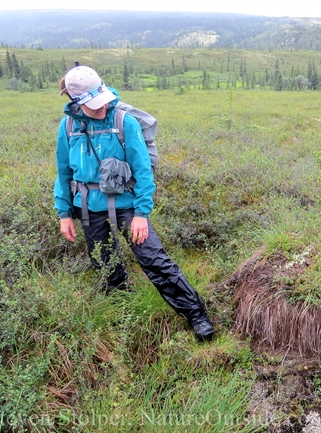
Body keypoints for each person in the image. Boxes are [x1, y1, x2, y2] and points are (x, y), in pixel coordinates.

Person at [54, 65, 215, 341]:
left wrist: (141, 213)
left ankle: (196, 315)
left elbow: (143, 171)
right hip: (88, 206)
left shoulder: (124, 120)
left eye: (102, 101)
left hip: (128, 205)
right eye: (93, 106)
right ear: (76, 102)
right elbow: (64, 171)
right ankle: (122, 304)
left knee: (155, 260)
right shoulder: (68, 126)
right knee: (103, 261)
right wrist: (64, 213)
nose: (101, 109)